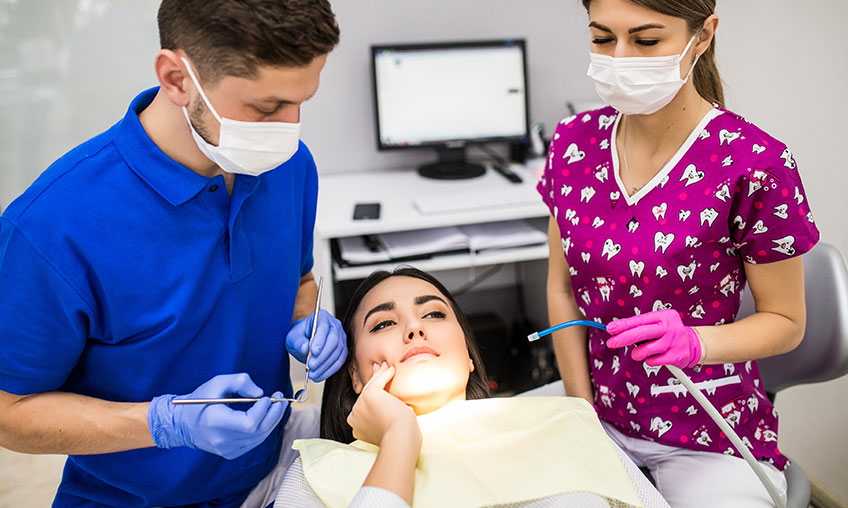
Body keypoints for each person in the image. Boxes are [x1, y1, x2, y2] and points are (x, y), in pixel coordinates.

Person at [0, 1, 348, 507]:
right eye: (267, 107)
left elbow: (298, 280)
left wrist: (311, 322)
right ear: (176, 77)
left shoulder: (290, 168)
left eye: (302, 101)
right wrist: (164, 423)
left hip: (273, 478)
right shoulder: (51, 226)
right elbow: (11, 412)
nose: (289, 127)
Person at [538, 0, 820, 506]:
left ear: (703, 35)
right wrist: (583, 417)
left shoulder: (755, 163)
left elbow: (786, 321)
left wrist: (697, 343)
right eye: (603, 38)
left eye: (645, 41)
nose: (620, 58)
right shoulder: (572, 143)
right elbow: (561, 289)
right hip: (597, 411)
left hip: (708, 431)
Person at [275, 267, 671, 507]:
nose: (415, 328)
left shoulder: (567, 424)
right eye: (383, 323)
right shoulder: (317, 474)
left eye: (433, 313)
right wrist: (398, 437)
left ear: (466, 353)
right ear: (356, 376)